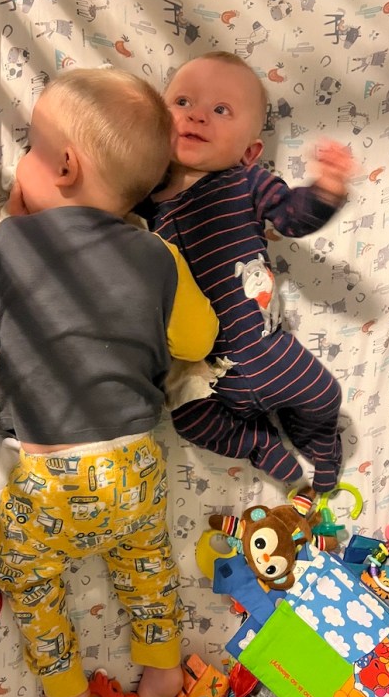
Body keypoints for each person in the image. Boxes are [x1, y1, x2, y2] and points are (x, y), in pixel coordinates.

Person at [0, 68, 219, 697]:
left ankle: (63, 687)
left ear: (63, 165)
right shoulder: (159, 256)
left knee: (24, 571)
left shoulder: (11, 242)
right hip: (134, 463)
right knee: (146, 567)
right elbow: (197, 339)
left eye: (28, 149)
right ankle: (161, 669)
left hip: (50, 476)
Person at [138, 51, 356, 495]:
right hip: (205, 372)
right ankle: (264, 449)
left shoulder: (247, 184)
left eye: (221, 111)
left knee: (324, 394)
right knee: (189, 422)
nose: (196, 115)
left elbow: (294, 217)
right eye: (182, 102)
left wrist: (326, 191)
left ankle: (319, 445)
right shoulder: (142, 198)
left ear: (249, 152)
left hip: (271, 350)